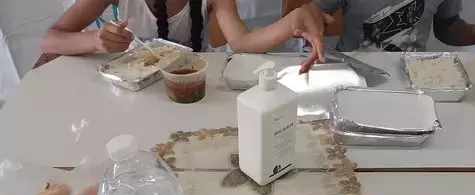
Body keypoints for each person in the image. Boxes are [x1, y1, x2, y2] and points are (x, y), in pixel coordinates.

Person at [42, 0, 334, 72]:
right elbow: (50, 39)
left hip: (197, 83)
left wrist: (290, 22)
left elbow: (243, 43)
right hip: (137, 87)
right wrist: (95, 41)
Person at [305, 0, 475, 52]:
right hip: (353, 75)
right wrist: (312, 24)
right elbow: (314, 13)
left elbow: (447, 26)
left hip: (413, 79)